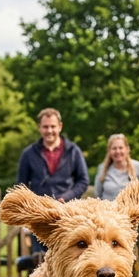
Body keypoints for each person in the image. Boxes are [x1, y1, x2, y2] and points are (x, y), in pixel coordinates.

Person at [16, 108, 87, 261]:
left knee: (65, 260)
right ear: (39, 128)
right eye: (45, 127)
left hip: (67, 216)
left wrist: (66, 197)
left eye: (53, 126)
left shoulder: (73, 151)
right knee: (39, 261)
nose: (49, 130)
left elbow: (83, 181)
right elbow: (21, 186)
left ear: (60, 126)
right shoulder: (28, 154)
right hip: (39, 217)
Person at [93, 134, 139, 202]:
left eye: (121, 148)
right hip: (108, 211)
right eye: (114, 148)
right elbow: (97, 195)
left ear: (127, 149)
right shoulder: (102, 169)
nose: (117, 151)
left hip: (132, 211)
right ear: (109, 151)